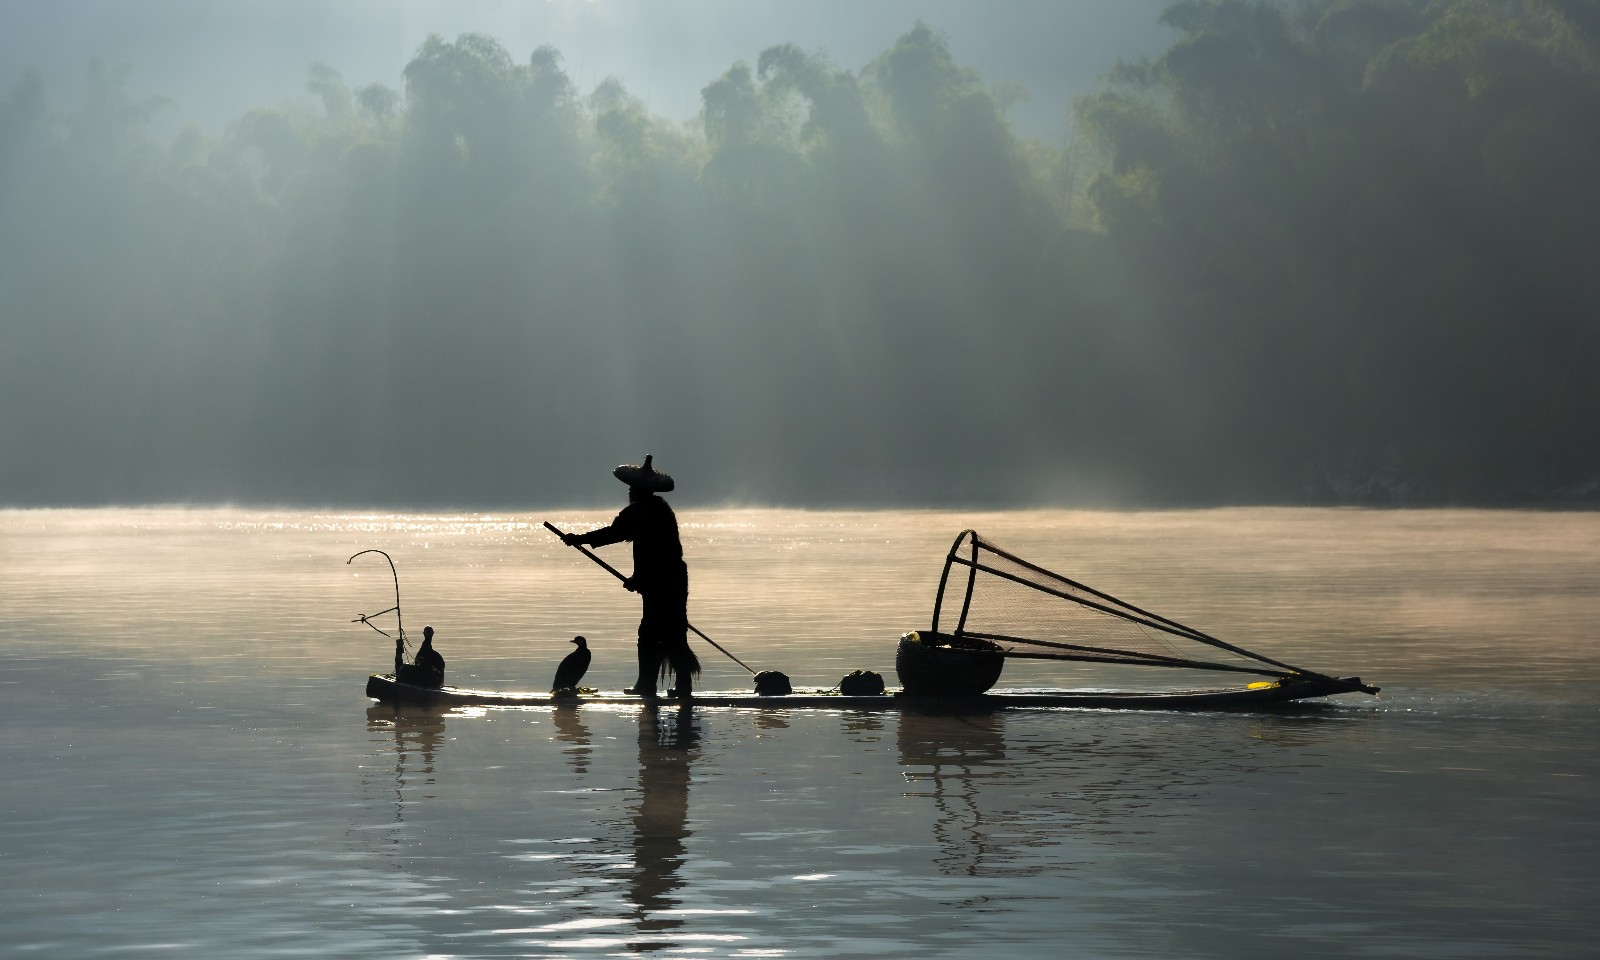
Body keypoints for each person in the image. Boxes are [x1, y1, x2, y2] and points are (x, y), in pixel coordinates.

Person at [563, 455, 700, 698]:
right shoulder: (662, 509)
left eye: (632, 488)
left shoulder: (638, 512)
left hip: (662, 580)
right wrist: (639, 578)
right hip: (674, 577)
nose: (629, 491)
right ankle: (682, 687)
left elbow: (615, 534)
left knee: (649, 633)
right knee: (673, 631)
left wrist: (579, 539)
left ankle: (646, 685)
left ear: (638, 490)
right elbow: (655, 550)